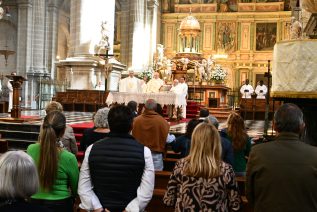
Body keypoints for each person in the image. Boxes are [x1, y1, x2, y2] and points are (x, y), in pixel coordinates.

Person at [78, 105, 154, 211]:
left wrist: (98, 208)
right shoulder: (145, 152)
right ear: (132, 125)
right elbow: (146, 191)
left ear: (109, 124)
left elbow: (84, 187)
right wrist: (128, 210)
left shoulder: (92, 149)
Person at [246, 103, 317, 211]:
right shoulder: (314, 155)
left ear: (274, 125)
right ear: (302, 126)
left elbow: (250, 195)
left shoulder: (257, 153)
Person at [163, 123, 242, 211]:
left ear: (194, 141)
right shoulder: (226, 169)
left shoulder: (180, 166)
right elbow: (235, 204)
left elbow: (168, 200)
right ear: (216, 143)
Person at [27, 111, 79, 212]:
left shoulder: (31, 149)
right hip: (61, 204)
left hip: (34, 202)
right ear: (63, 131)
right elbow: (76, 188)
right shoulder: (69, 157)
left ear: (43, 127)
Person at [132, 99, 170, 171]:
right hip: (156, 157)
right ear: (155, 108)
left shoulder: (135, 120)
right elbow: (166, 139)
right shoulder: (162, 121)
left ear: (144, 107)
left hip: (138, 155)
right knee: (156, 180)